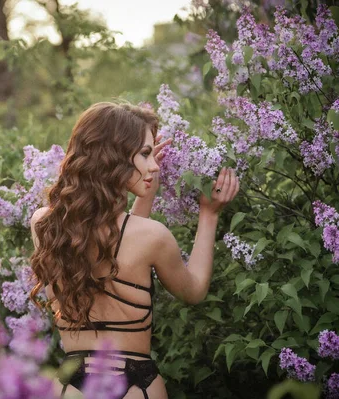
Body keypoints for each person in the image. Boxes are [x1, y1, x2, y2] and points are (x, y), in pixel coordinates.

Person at [29, 102, 240, 399]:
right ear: (113, 156)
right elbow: (193, 291)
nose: (154, 164)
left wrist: (145, 185)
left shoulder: (44, 226)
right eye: (144, 154)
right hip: (135, 387)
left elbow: (114, 247)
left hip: (69, 387)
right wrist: (210, 215)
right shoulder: (152, 237)